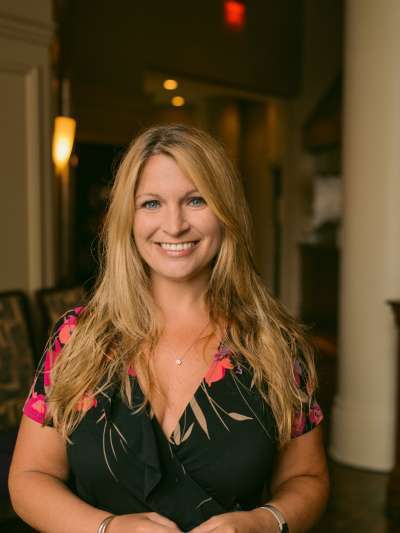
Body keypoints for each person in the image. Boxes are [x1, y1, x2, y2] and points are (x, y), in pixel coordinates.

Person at [9, 124, 329, 532]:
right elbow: (29, 478)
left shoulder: (276, 346)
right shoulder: (76, 338)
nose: (174, 225)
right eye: (152, 204)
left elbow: (309, 479)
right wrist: (108, 529)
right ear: (128, 216)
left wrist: (263, 523)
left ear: (225, 210)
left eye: (196, 200)